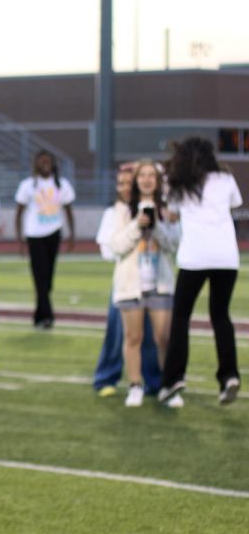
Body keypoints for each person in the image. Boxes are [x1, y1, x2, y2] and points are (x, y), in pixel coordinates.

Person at [159, 136, 243, 406]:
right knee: (221, 316)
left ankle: (174, 378)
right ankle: (229, 375)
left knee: (181, 316)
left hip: (194, 257)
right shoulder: (225, 179)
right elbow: (235, 204)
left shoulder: (179, 183)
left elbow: (171, 215)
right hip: (227, 257)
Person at [105, 160, 179, 408]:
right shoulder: (123, 209)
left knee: (164, 338)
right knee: (133, 337)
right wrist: (137, 224)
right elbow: (116, 246)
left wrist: (156, 227)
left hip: (160, 283)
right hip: (131, 283)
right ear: (136, 180)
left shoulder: (167, 209)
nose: (147, 179)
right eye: (142, 175)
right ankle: (135, 385)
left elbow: (173, 245)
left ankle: (169, 386)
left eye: (152, 175)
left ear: (158, 181)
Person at [93, 167, 162, 396]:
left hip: (152, 280)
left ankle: (154, 381)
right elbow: (108, 248)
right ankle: (106, 377)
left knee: (153, 335)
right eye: (120, 183)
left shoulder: (152, 207)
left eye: (127, 183)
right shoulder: (115, 212)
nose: (123, 187)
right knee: (117, 332)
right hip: (125, 280)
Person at [14, 150, 76, 329]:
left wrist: (71, 235)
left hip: (54, 233)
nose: (45, 164)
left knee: (48, 278)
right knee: (39, 276)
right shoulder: (27, 185)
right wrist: (20, 240)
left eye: (48, 161)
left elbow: (69, 211)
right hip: (34, 235)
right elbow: (19, 213)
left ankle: (39, 315)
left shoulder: (62, 185)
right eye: (42, 161)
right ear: (36, 164)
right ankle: (46, 316)